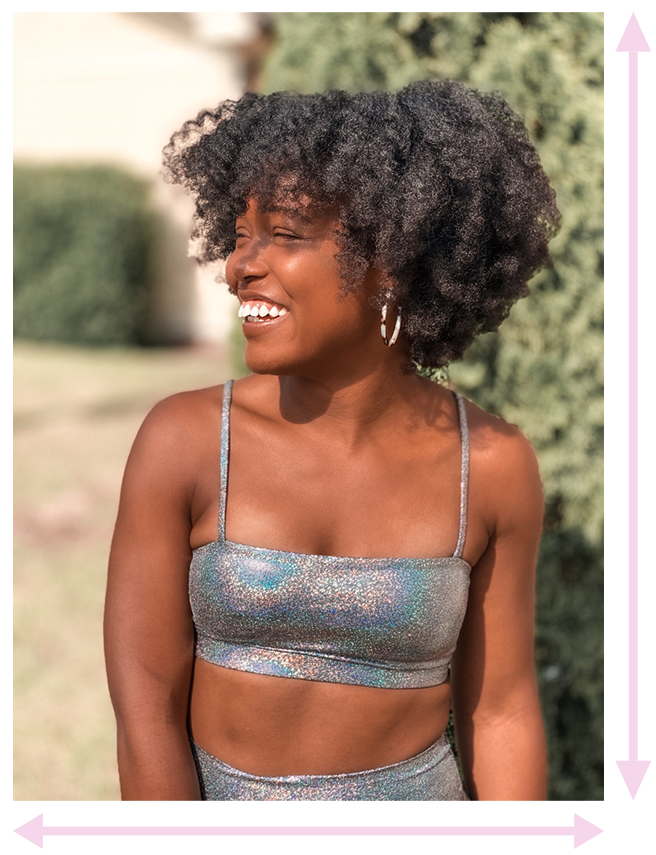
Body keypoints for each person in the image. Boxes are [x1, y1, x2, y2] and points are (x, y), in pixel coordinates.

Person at [104, 78, 561, 801]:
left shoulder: (492, 465)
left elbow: (500, 712)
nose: (240, 266)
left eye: (284, 235)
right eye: (241, 235)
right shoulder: (185, 441)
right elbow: (145, 716)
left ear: (392, 262)